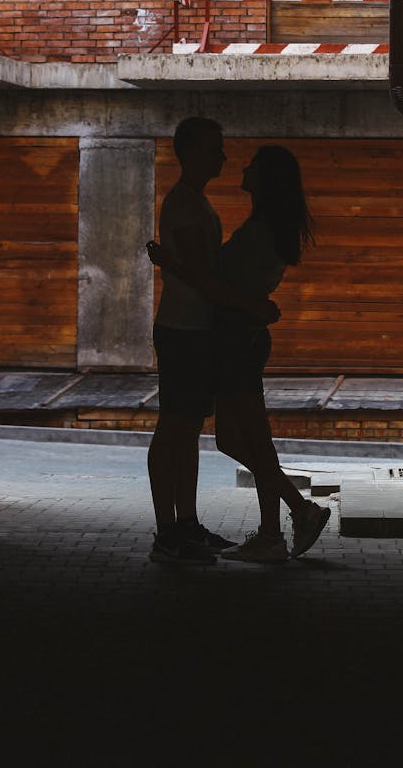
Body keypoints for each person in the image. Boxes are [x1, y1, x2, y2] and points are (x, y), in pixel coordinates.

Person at [148, 144, 330, 564]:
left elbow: (219, 285)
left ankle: (291, 518)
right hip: (239, 338)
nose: (240, 166)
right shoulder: (266, 225)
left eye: (252, 166)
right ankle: (280, 525)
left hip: (236, 341)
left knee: (248, 440)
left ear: (265, 179)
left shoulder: (260, 231)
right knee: (238, 438)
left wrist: (169, 263)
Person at [147, 117, 280, 566]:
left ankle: (186, 524)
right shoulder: (183, 205)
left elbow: (198, 272)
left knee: (187, 431)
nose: (223, 156)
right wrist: (252, 305)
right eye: (214, 148)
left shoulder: (198, 203)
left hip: (197, 330)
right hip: (181, 329)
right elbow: (204, 277)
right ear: (190, 153)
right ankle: (167, 531)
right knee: (173, 429)